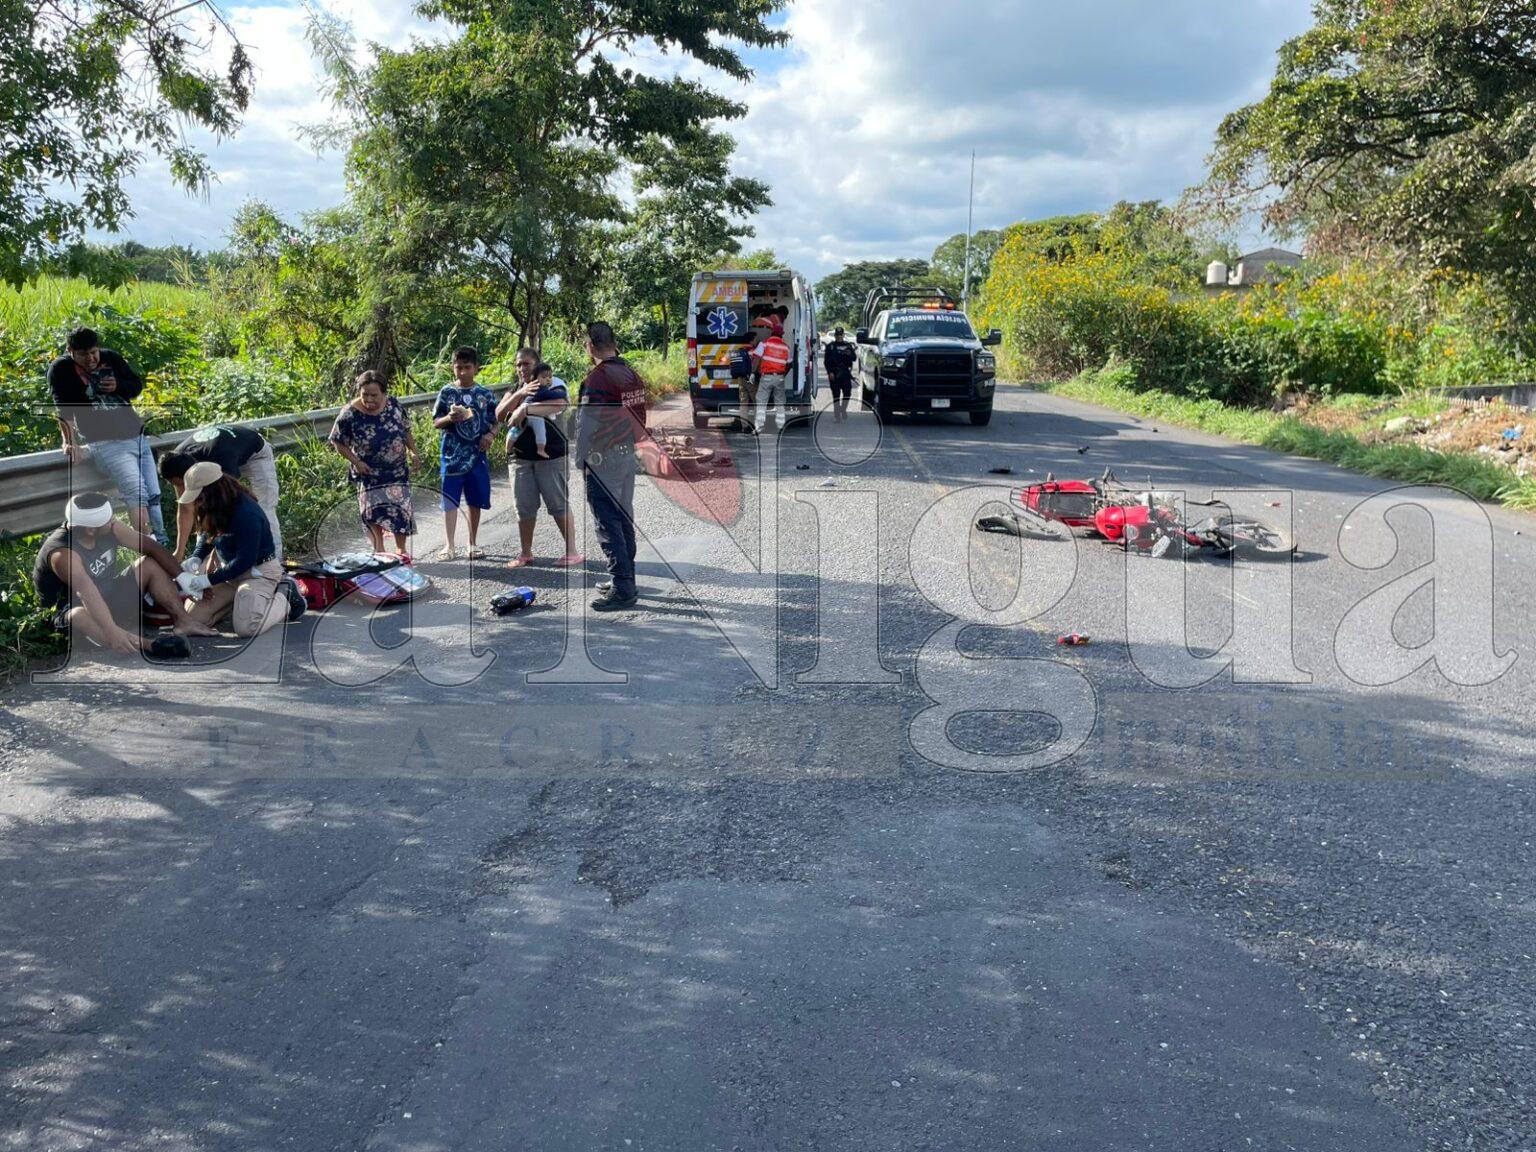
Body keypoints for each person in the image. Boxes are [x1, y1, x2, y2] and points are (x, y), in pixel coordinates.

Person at [33, 492, 218, 655]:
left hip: (109, 597)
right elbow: (87, 593)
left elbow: (151, 547)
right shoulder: (63, 553)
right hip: (76, 611)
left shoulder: (107, 528)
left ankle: (184, 621)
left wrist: (184, 578)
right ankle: (150, 645)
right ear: (90, 530)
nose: (114, 520)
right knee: (77, 614)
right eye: (110, 519)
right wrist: (111, 631)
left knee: (149, 563)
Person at [48, 327, 168, 545]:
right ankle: (148, 548)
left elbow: (136, 386)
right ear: (70, 351)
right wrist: (69, 440)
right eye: (84, 354)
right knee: (137, 493)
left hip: (136, 436)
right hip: (105, 442)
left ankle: (161, 545)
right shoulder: (61, 369)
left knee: (153, 495)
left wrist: (118, 385)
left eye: (94, 352)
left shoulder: (111, 357)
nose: (91, 358)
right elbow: (63, 408)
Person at [176, 463, 301, 637]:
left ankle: (284, 595)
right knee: (193, 619)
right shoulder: (213, 504)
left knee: (247, 628)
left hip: (257, 572)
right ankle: (243, 603)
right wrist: (196, 557)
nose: (197, 500)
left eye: (199, 495)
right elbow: (208, 534)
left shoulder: (246, 513)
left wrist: (208, 580)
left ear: (212, 491)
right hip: (230, 573)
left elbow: (245, 560)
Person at [575, 321, 647, 611]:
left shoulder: (597, 379)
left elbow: (586, 424)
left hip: (603, 459)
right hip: (626, 455)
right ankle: (625, 578)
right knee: (623, 518)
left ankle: (623, 588)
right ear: (614, 344)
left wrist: (580, 459)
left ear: (590, 346)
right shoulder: (632, 375)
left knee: (608, 523)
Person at [496, 349, 582, 569]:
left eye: (526, 364)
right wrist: (520, 395)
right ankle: (526, 553)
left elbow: (560, 404)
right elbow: (498, 414)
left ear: (537, 365)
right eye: (518, 365)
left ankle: (572, 552)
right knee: (523, 507)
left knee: (557, 503)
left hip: (551, 455)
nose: (522, 368)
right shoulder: (515, 389)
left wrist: (525, 409)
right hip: (520, 458)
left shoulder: (551, 383)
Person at [329, 371, 421, 554]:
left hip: (397, 472)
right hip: (369, 472)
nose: (369, 399)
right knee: (372, 513)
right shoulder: (349, 413)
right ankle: (380, 551)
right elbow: (338, 442)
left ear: (384, 393)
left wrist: (413, 451)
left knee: (399, 512)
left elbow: (406, 430)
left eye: (374, 395)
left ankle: (401, 551)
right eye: (365, 395)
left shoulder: (393, 405)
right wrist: (356, 462)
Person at [159, 424, 282, 560]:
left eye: (183, 484)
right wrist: (179, 552)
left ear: (190, 473)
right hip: (221, 449)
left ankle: (275, 561)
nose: (182, 487)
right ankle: (204, 563)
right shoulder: (175, 462)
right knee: (206, 513)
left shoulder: (222, 459)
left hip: (255, 454)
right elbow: (185, 507)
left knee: (263, 509)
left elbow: (226, 506)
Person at [431, 347, 498, 561]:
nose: (462, 372)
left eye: (467, 368)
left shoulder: (485, 394)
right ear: (453, 368)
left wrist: (491, 436)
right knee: (450, 500)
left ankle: (472, 543)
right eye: (458, 368)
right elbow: (436, 422)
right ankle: (449, 545)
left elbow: (497, 420)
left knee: (474, 500)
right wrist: (450, 418)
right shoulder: (447, 392)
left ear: (476, 368)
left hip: (477, 456)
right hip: (451, 456)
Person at [750, 319, 793, 434]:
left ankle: (759, 426)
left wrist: (753, 373)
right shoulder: (786, 347)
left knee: (761, 401)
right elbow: (789, 364)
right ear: (781, 335)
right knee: (780, 402)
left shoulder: (764, 344)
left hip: (766, 377)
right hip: (779, 378)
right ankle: (780, 426)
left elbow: (756, 359)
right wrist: (782, 374)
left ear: (772, 333)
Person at [824, 327, 858, 423]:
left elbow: (854, 358)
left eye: (840, 335)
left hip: (846, 374)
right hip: (834, 374)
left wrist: (849, 353)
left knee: (847, 393)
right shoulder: (830, 347)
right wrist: (830, 372)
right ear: (835, 336)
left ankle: (843, 409)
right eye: (837, 335)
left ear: (843, 335)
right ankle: (837, 416)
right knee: (836, 395)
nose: (839, 337)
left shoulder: (848, 346)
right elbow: (826, 361)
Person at [730, 327, 763, 426]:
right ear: (752, 340)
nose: (758, 340)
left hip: (740, 379)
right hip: (750, 380)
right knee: (756, 402)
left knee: (743, 403)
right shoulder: (753, 352)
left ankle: (744, 426)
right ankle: (757, 425)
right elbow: (756, 365)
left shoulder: (739, 351)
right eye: (756, 338)